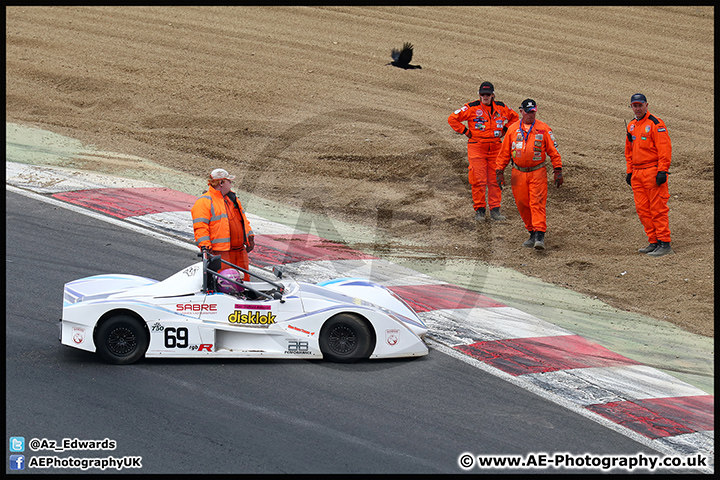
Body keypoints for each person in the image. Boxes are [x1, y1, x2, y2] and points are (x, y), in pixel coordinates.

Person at [495, 99, 563, 250]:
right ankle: (531, 232)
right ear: (522, 111)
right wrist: (499, 171)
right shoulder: (513, 129)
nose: (531, 114)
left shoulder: (544, 129)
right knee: (522, 204)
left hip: (538, 172)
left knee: (536, 203)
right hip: (517, 173)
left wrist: (557, 169)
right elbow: (504, 153)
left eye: (533, 112)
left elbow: (554, 151)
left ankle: (540, 236)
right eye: (528, 111)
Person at [448, 81, 519, 222]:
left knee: (495, 179)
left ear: (493, 95)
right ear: (479, 95)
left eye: (488, 94)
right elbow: (452, 119)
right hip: (477, 147)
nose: (485, 97)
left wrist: (505, 130)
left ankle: (495, 210)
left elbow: (515, 118)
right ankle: (480, 210)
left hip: (496, 147)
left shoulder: (502, 107)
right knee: (478, 179)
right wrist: (465, 131)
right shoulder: (471, 107)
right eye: (483, 94)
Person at [625, 93, 673, 257]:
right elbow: (628, 151)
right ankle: (653, 241)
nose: (637, 108)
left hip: (652, 171)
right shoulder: (631, 125)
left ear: (646, 105)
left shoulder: (655, 123)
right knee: (643, 210)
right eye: (634, 105)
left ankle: (664, 243)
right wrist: (629, 172)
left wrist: (663, 171)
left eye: (640, 105)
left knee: (658, 208)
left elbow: (664, 149)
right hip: (637, 173)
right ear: (631, 107)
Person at [191, 168, 255, 280]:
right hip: (220, 254)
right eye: (229, 181)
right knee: (224, 284)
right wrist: (205, 247)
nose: (231, 183)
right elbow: (200, 227)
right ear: (221, 183)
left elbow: (243, 220)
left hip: (240, 252)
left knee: (244, 284)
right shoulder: (204, 201)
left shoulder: (232, 199)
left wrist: (250, 236)